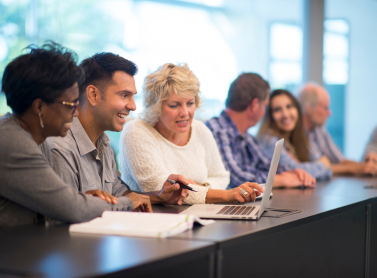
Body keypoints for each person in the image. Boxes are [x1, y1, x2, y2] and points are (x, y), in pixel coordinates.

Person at [0, 42, 143, 227]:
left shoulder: (35, 139)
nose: (75, 113)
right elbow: (71, 209)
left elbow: (60, 203)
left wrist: (82, 199)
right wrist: (128, 203)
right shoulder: (12, 141)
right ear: (39, 107)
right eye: (70, 105)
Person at [45, 53, 189, 206]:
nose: (133, 106)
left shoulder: (103, 142)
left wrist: (158, 197)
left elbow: (119, 193)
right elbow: (68, 213)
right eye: (124, 95)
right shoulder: (60, 148)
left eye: (133, 96)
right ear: (93, 95)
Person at [120, 63, 264, 205]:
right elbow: (163, 190)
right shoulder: (135, 131)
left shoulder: (200, 129)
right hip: (153, 220)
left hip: (198, 216)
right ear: (155, 106)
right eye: (174, 105)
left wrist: (201, 188)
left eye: (190, 103)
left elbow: (221, 176)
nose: (185, 113)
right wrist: (225, 195)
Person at [206, 73, 316, 189]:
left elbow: (268, 165)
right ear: (254, 105)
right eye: (264, 106)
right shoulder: (218, 131)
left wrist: (295, 173)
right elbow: (234, 178)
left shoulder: (246, 136)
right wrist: (283, 180)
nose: (264, 112)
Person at [298, 83, 377, 176]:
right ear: (309, 108)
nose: (329, 113)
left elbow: (339, 160)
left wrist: (366, 165)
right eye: (325, 108)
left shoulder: (319, 129)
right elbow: (317, 168)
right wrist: (354, 168)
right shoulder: (297, 134)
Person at [257, 89, 332, 180]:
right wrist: (322, 165)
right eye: (277, 110)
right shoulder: (268, 139)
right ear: (270, 116)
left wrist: (321, 167)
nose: (285, 114)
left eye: (289, 106)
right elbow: (294, 170)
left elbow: (328, 170)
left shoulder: (299, 135)